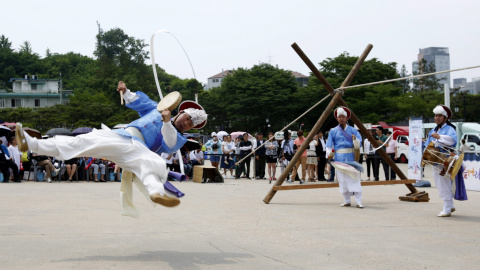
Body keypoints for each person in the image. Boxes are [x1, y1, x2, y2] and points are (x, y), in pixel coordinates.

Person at [16, 81, 207, 211]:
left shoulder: (180, 138)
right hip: (123, 137)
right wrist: (126, 91)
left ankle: (157, 193)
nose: (186, 123)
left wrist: (167, 123)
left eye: (191, 124)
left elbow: (170, 142)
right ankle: (33, 144)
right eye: (187, 118)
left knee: (151, 165)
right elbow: (138, 101)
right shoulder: (156, 108)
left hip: (136, 150)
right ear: (181, 112)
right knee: (82, 141)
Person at [424, 105, 459, 217]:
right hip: (435, 159)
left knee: (444, 183)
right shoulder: (433, 130)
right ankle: (450, 205)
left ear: (445, 118)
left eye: (440, 116)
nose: (437, 118)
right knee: (440, 183)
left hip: (445, 159)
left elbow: (452, 140)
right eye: (436, 116)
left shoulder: (449, 129)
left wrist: (439, 137)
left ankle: (447, 208)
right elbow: (427, 144)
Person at [326, 107, 364, 208]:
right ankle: (347, 200)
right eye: (339, 117)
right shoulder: (333, 131)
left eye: (343, 117)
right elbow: (329, 145)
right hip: (339, 158)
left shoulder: (353, 130)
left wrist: (355, 139)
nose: (341, 119)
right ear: (337, 118)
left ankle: (358, 201)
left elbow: (359, 143)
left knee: (354, 179)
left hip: (351, 157)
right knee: (342, 180)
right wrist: (329, 154)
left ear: (346, 118)